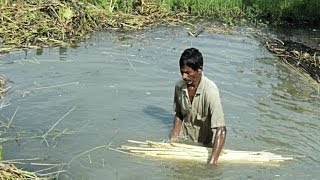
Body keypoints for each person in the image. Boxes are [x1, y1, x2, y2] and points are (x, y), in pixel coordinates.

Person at [169, 47, 227, 165]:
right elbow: (179, 114)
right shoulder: (179, 86)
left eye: (188, 73)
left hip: (205, 144)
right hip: (185, 140)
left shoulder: (210, 90)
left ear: (199, 70)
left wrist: (212, 161)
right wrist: (172, 141)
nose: (184, 77)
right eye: (182, 72)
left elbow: (221, 129)